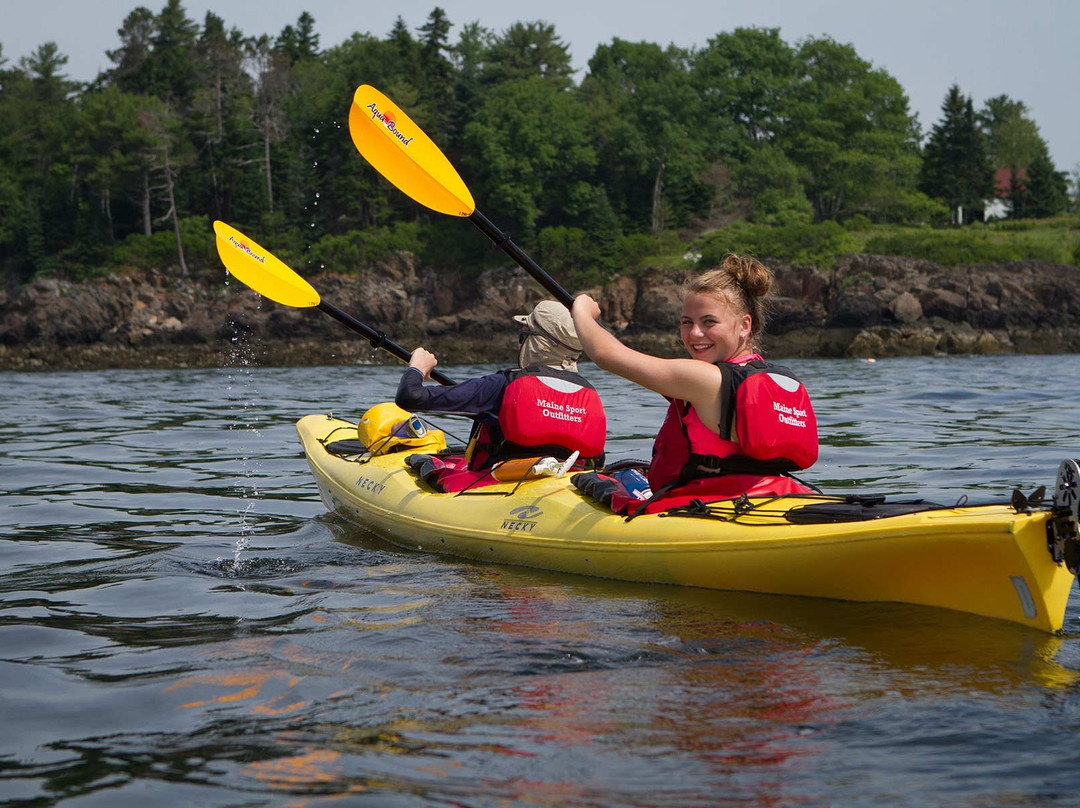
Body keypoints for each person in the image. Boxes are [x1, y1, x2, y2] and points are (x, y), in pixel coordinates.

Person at [571, 254, 818, 511]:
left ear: (745, 324)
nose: (695, 334)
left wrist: (581, 309)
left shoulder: (703, 379)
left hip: (710, 507)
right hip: (775, 496)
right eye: (687, 322)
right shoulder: (773, 380)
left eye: (709, 322)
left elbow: (605, 355)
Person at [395, 300, 606, 472]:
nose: (519, 342)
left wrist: (418, 368)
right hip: (565, 486)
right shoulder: (589, 395)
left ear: (537, 343)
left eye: (524, 335)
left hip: (497, 487)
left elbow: (410, 396)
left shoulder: (502, 386)